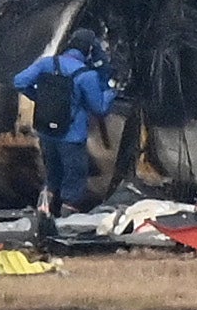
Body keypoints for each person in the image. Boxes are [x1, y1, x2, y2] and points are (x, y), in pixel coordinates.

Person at [13, 28, 122, 221]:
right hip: (71, 136)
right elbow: (99, 107)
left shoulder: (47, 63)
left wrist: (40, 98)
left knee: (52, 175)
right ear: (89, 50)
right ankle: (66, 220)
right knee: (74, 178)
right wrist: (112, 89)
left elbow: (19, 81)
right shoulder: (86, 76)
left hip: (46, 132)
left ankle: (44, 214)